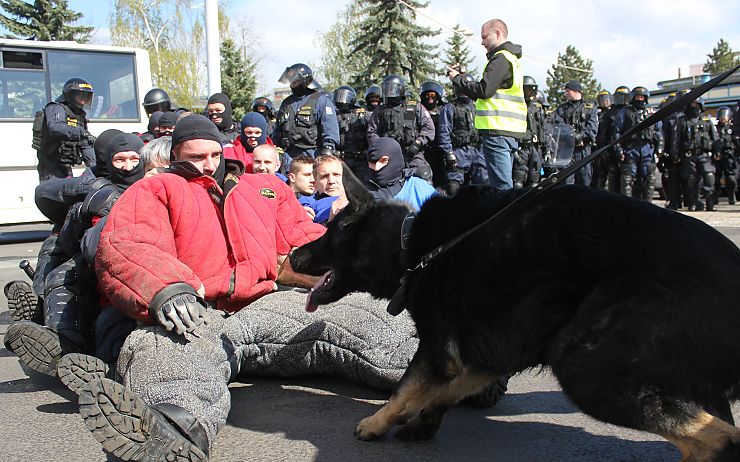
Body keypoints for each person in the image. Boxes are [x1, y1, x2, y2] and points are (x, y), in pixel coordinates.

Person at [71, 114, 417, 461]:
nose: (208, 165)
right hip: (200, 312)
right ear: (176, 154)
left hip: (267, 304)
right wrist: (167, 288)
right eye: (195, 157)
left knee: (364, 315)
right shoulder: (155, 189)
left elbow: (307, 239)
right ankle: (171, 434)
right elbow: (128, 244)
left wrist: (365, 259)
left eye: (214, 155)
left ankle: (455, 374)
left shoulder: (263, 188)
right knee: (163, 345)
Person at [5, 133, 147, 377]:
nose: (127, 166)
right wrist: (82, 209)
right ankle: (59, 339)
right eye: (119, 160)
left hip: (143, 271)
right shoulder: (95, 184)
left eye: (134, 159)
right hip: (95, 262)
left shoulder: (156, 184)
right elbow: (67, 234)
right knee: (61, 272)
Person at [447, 18, 527, 192]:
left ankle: (505, 219)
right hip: (507, 131)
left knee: (501, 188)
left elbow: (483, 91)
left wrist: (457, 79)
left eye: (484, 37)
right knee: (504, 186)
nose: (482, 42)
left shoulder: (501, 59)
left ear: (497, 33)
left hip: (497, 131)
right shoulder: (511, 59)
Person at [367, 74, 435, 183]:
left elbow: (428, 128)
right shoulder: (380, 111)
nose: (390, 92)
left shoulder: (413, 107)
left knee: (424, 174)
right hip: (389, 156)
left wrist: (417, 143)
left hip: (412, 153)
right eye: (387, 88)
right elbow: (372, 132)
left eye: (392, 88)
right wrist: (381, 148)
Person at [272, 63, 339, 161]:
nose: (292, 84)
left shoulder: (321, 100)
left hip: (313, 153)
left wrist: (328, 149)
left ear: (304, 80)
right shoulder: (286, 103)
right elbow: (277, 130)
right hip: (289, 155)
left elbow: (330, 128)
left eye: (294, 81)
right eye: (291, 81)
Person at [35, 78, 96, 181]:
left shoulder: (79, 116)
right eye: (79, 95)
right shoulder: (56, 108)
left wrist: (94, 167)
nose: (83, 100)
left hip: (66, 166)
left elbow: (85, 144)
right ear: (70, 95)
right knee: (54, 193)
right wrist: (83, 133)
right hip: (50, 166)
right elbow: (56, 127)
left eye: (85, 96)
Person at [438, 74, 487, 196]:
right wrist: (449, 152)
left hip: (477, 151)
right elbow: (444, 131)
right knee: (453, 187)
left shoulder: (477, 107)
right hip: (458, 151)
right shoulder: (449, 108)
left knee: (481, 187)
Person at [615, 86, 663, 202]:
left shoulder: (651, 113)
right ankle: (627, 204)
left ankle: (648, 204)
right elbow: (617, 132)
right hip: (631, 149)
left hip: (648, 149)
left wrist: (660, 147)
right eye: (637, 97)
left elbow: (658, 132)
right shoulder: (625, 113)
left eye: (642, 97)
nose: (640, 99)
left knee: (649, 178)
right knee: (627, 178)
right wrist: (619, 149)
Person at [365, 137, 436, 211]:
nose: (376, 168)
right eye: (371, 163)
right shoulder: (366, 197)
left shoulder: (418, 187)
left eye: (383, 161)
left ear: (395, 159)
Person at [552, 80, 599, 186]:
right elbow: (558, 126)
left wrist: (581, 136)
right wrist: (571, 136)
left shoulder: (590, 109)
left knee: (584, 181)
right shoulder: (562, 109)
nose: (566, 94)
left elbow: (592, 129)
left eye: (568, 91)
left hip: (583, 150)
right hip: (566, 150)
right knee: (566, 181)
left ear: (577, 91)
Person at [677, 97, 719, 211]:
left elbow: (715, 139)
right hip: (689, 155)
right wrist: (675, 154)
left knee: (709, 177)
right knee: (691, 180)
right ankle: (693, 203)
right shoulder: (682, 121)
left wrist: (717, 151)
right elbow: (676, 140)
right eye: (691, 105)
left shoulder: (707, 121)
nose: (694, 107)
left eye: (696, 105)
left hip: (705, 155)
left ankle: (710, 203)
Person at [512, 75, 549, 189]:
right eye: (527, 90)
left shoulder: (537, 108)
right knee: (518, 180)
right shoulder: (515, 107)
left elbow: (543, 129)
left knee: (534, 181)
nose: (530, 93)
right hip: (522, 147)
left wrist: (546, 149)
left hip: (536, 148)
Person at [333, 85, 370, 183]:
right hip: (342, 159)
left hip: (361, 160)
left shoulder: (363, 114)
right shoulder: (334, 116)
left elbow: (372, 133)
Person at [713, 105, 736, 205]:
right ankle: (714, 198)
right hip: (717, 157)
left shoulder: (732, 128)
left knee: (731, 179)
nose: (723, 118)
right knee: (715, 179)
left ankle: (732, 196)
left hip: (729, 156)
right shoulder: (714, 129)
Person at [592, 90, 613, 189]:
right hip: (598, 146)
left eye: (607, 99)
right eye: (602, 100)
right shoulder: (596, 114)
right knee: (599, 173)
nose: (605, 102)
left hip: (610, 145)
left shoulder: (614, 113)